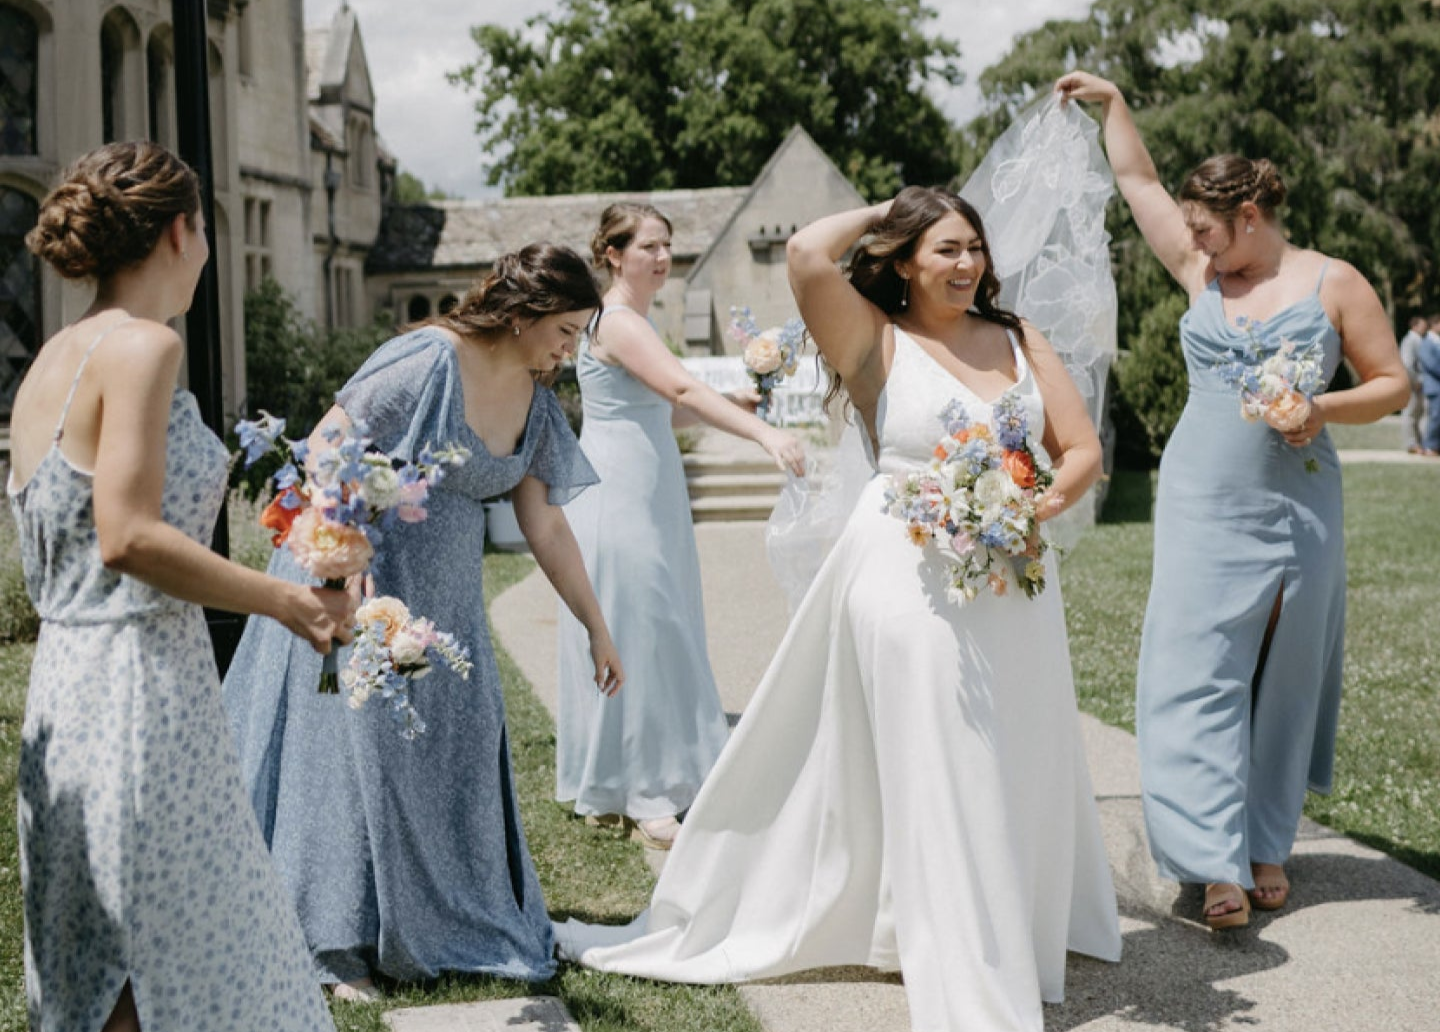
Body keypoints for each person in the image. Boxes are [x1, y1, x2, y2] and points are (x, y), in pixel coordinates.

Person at [556, 186, 1122, 1032]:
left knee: (1015, 751)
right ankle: (965, 955)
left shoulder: (1017, 338)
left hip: (1012, 578)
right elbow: (805, 254)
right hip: (905, 577)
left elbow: (1079, 451)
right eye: (946, 249)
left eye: (974, 247)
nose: (966, 263)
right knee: (942, 752)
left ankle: (993, 915)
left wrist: (1027, 507)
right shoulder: (873, 339)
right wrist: (893, 206)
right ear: (904, 261)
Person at [10, 142, 354, 1031]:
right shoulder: (143, 348)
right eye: (207, 230)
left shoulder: (55, 357)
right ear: (181, 231)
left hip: (69, 689)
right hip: (137, 695)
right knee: (149, 968)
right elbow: (127, 536)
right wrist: (286, 601)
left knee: (112, 964)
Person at [223, 243, 624, 999]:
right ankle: (334, 943)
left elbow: (548, 527)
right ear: (522, 313)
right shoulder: (423, 363)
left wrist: (596, 626)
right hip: (357, 573)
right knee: (347, 753)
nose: (571, 351)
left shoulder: (538, 404)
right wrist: (346, 557)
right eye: (566, 331)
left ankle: (442, 915)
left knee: (454, 747)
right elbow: (325, 450)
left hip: (448, 603)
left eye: (579, 335)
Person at [1056, 70, 1410, 928]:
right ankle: (1211, 861)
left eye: (1212, 232)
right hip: (1200, 496)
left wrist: (1319, 407)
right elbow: (1138, 182)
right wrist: (1117, 108)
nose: (1200, 248)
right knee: (1193, 669)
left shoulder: (1336, 283)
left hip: (1297, 503)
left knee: (1285, 677)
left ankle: (1264, 844)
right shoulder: (1198, 271)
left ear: (1250, 217)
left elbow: (1393, 384)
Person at [555, 203, 806, 849]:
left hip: (648, 491)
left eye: (668, 246)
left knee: (656, 624)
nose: (662, 257)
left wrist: (741, 403)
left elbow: (661, 416)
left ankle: (631, 776)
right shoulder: (617, 321)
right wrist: (764, 433)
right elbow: (687, 393)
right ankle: (646, 791)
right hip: (619, 497)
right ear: (612, 253)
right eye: (648, 246)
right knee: (643, 627)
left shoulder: (632, 321)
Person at [1398, 315, 1428, 452]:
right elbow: (1407, 364)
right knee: (1409, 414)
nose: (1425, 327)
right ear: (1414, 326)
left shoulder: (1419, 340)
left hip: (1418, 384)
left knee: (1418, 414)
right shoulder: (1410, 341)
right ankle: (1411, 444)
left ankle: (1418, 443)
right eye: (1422, 325)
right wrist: (1415, 381)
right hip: (1412, 384)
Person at [1420, 313, 1440, 456]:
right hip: (1434, 387)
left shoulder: (1437, 341)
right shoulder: (1426, 342)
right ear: (1435, 324)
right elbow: (1431, 364)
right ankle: (1430, 446)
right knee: (1435, 417)